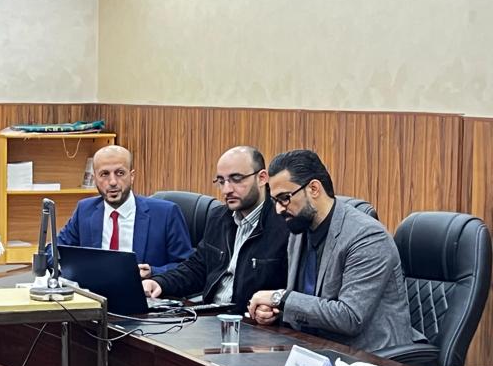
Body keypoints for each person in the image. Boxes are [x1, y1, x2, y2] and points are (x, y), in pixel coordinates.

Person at [247, 150, 415, 352]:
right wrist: (274, 312)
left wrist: (280, 299)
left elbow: (350, 317)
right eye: (275, 201)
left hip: (370, 357)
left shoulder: (367, 237)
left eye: (284, 198)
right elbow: (309, 303)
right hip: (313, 349)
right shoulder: (298, 228)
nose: (278, 209)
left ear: (314, 189)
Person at [143, 146, 288, 314]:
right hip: (210, 317)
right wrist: (159, 282)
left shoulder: (284, 224)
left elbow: (292, 292)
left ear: (262, 178)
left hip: (250, 322)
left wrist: (274, 311)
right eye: (221, 181)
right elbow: (197, 268)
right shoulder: (218, 217)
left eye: (236, 179)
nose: (227, 190)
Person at [56, 145, 192, 276]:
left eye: (120, 173)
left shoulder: (166, 213)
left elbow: (187, 267)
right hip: (95, 289)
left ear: (132, 176)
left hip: (143, 289)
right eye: (104, 174)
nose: (113, 182)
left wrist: (153, 272)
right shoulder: (85, 210)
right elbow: (54, 251)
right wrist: (76, 269)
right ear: (95, 178)